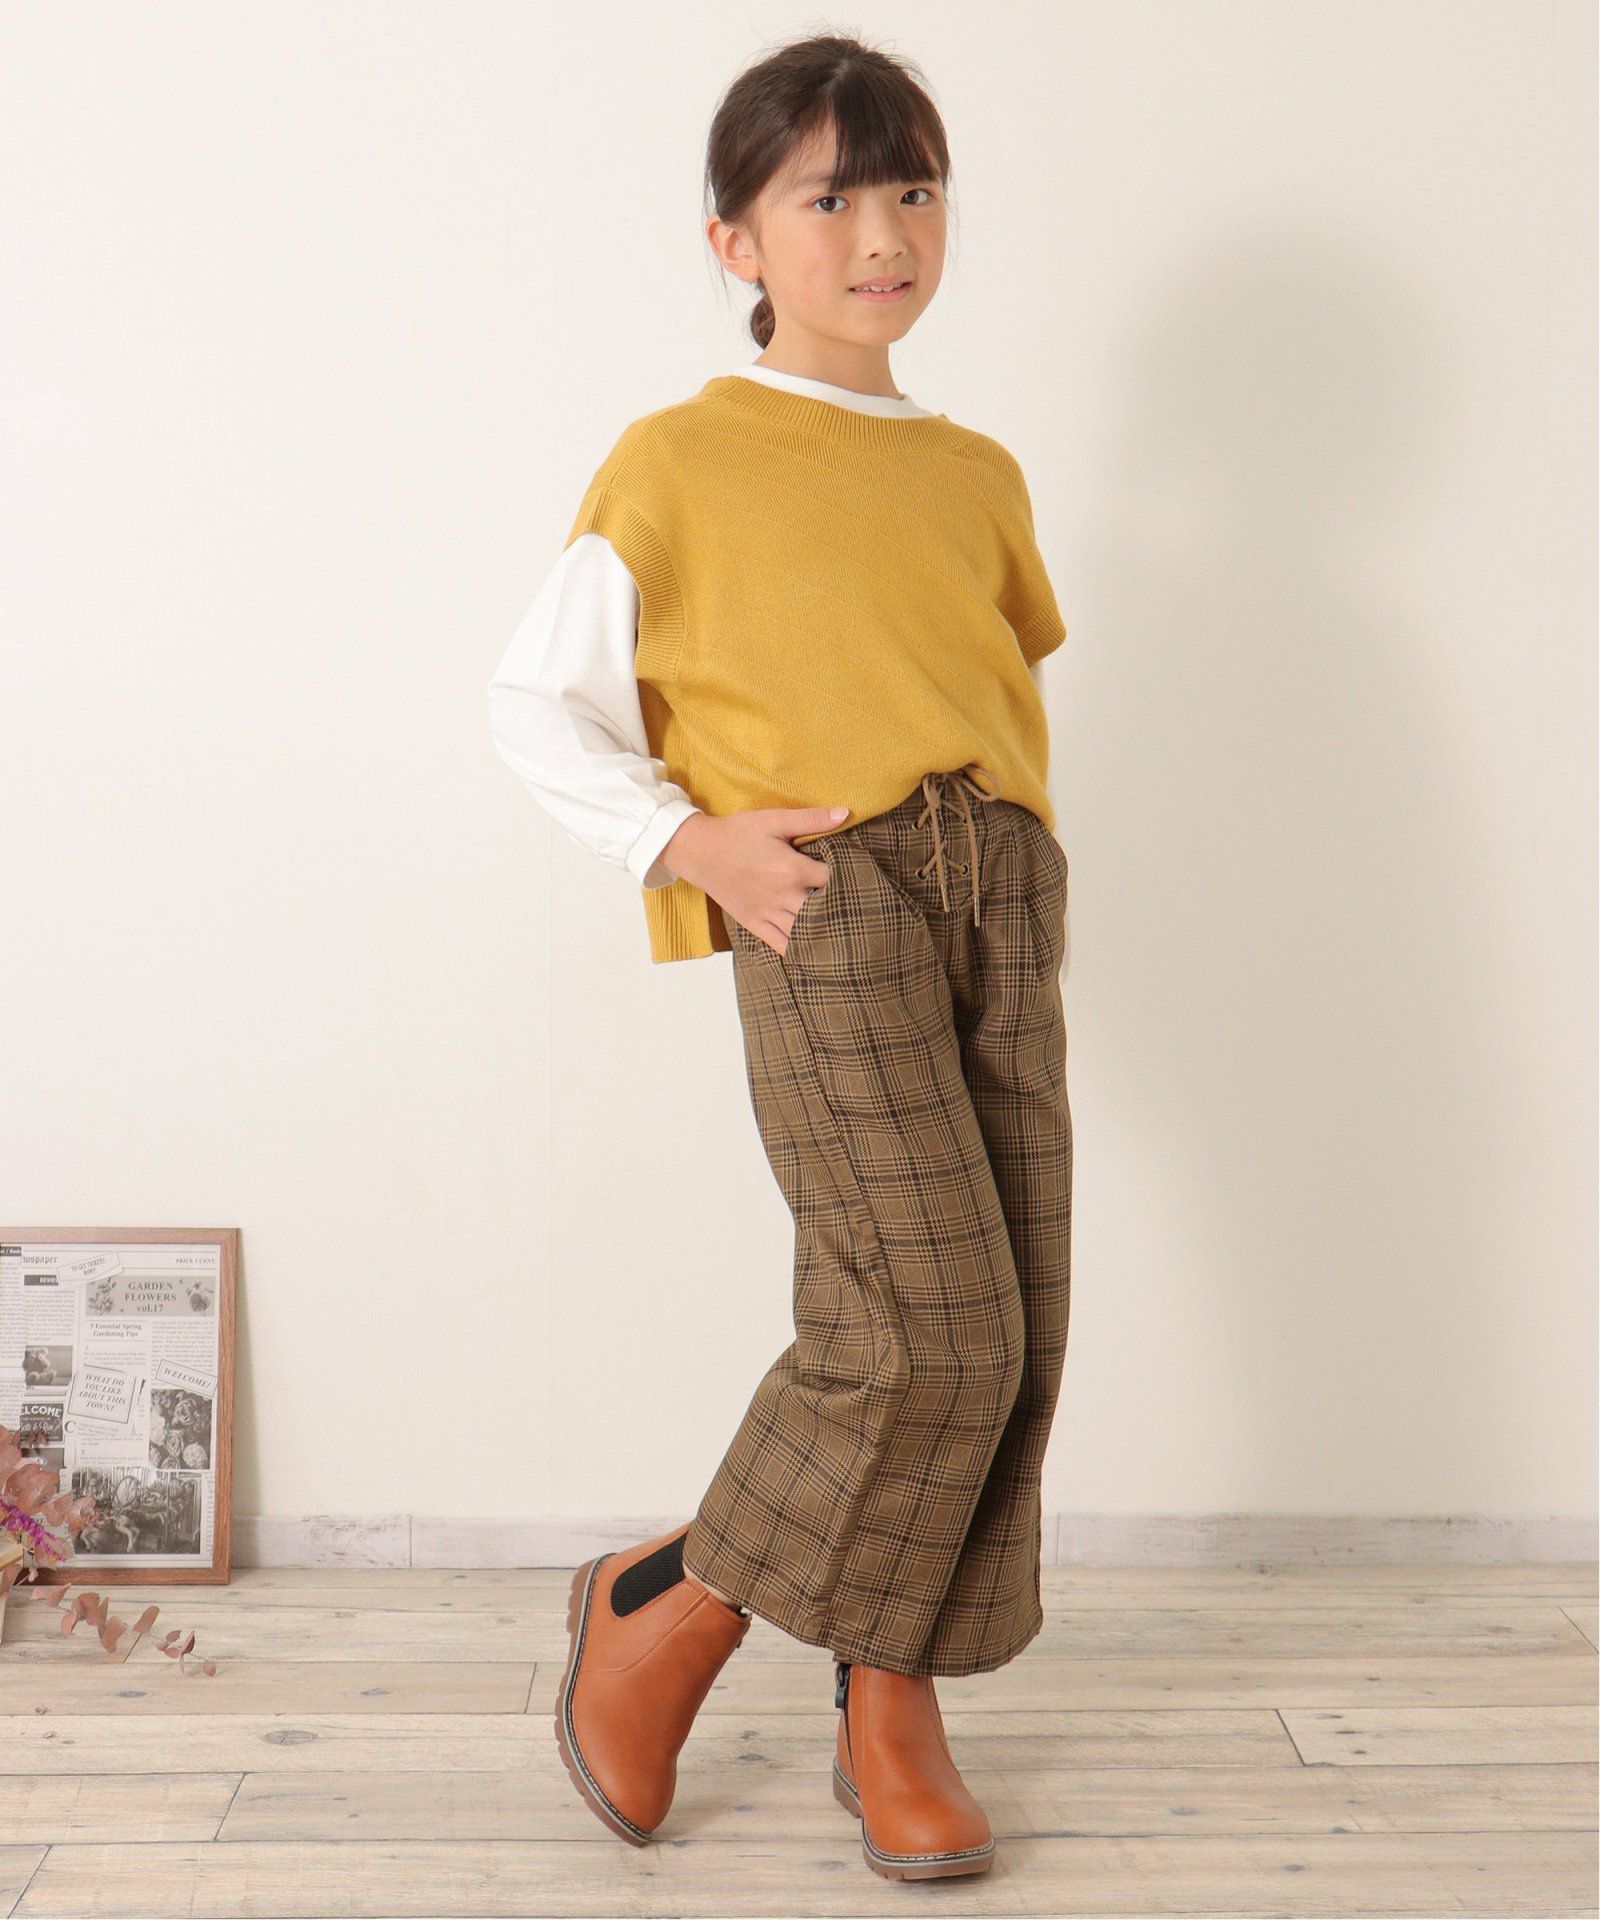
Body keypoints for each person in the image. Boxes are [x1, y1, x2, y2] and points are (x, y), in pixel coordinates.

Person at [486, 32, 1072, 1886]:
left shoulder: (977, 472)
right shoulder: (679, 460)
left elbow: (971, 675)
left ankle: (890, 1698)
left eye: (913, 191)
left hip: (1002, 890)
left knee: (1010, 1320)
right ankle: (667, 1606)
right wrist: (684, 841)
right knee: (931, 1324)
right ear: (735, 239)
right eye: (829, 197)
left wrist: (1014, 870)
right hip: (834, 897)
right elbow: (535, 702)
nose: (882, 233)